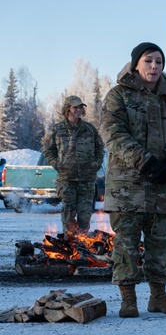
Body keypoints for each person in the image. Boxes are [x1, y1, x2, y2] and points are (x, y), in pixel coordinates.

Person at [101, 42, 166, 318]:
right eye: (148, 61)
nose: (154, 67)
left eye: (159, 62)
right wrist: (145, 161)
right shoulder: (119, 96)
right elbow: (114, 135)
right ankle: (128, 298)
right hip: (128, 187)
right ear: (136, 64)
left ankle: (158, 296)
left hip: (164, 184)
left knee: (161, 243)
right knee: (126, 245)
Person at [42, 95, 105, 234]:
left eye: (80, 107)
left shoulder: (89, 129)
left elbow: (100, 148)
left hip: (87, 179)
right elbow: (47, 149)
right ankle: (69, 246)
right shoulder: (57, 130)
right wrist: (58, 164)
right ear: (67, 109)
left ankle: (82, 247)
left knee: (85, 215)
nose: (79, 110)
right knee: (68, 215)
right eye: (75, 107)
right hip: (67, 179)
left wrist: (95, 164)